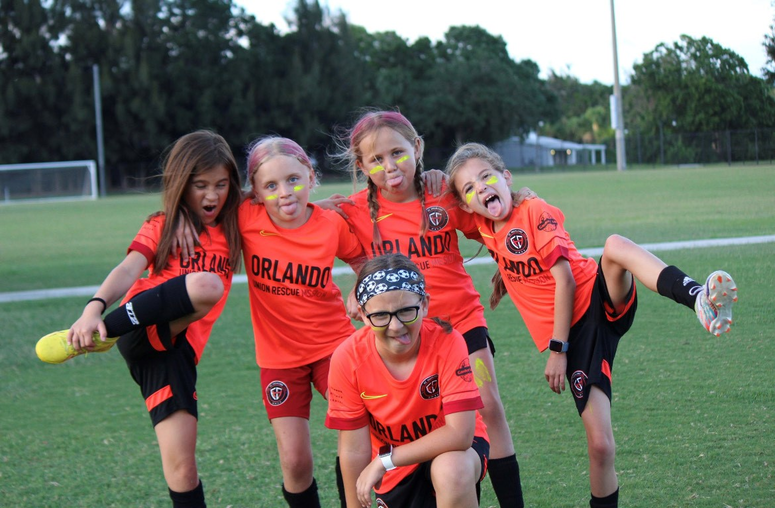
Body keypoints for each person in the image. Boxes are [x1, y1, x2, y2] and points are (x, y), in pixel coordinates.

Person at [444, 142, 739, 508]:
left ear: (506, 176)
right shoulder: (481, 224)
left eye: (486, 177)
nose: (481, 188)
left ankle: (698, 297)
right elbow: (433, 206)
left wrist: (557, 350)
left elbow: (565, 280)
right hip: (581, 338)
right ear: (466, 204)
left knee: (614, 246)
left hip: (594, 300)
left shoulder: (534, 210)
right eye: (469, 188)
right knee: (600, 445)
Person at [324, 110, 524, 506]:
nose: (389, 166)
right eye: (375, 160)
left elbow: (495, 218)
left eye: (397, 152)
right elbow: (313, 236)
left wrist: (522, 205)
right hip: (402, 334)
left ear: (417, 148)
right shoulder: (353, 212)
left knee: (489, 407)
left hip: (461, 325)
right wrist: (355, 289)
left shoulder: (443, 194)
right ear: (361, 165)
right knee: (401, 422)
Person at [35, 130, 243, 508]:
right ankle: (102, 331)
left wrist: (321, 204)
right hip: (136, 326)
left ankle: (102, 334)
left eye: (220, 184)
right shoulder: (163, 224)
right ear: (182, 183)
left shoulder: (236, 225)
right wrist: (93, 308)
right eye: (200, 186)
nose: (211, 196)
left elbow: (277, 206)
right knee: (206, 285)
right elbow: (129, 268)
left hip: (173, 353)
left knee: (182, 469)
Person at [239, 136, 366, 507]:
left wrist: (359, 289)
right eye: (271, 186)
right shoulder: (245, 218)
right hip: (279, 359)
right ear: (256, 193)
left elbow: (361, 261)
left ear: (311, 176)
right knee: (295, 460)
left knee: (360, 436)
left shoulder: (329, 224)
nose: (285, 193)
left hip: (334, 348)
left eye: (294, 180)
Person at [326, 253, 489, 508]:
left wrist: (386, 459)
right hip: (392, 469)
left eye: (406, 311)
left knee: (451, 469)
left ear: (424, 304)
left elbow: (460, 434)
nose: (395, 326)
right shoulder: (347, 359)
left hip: (447, 451)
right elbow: (353, 450)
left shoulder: (449, 341)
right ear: (363, 314)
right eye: (381, 315)